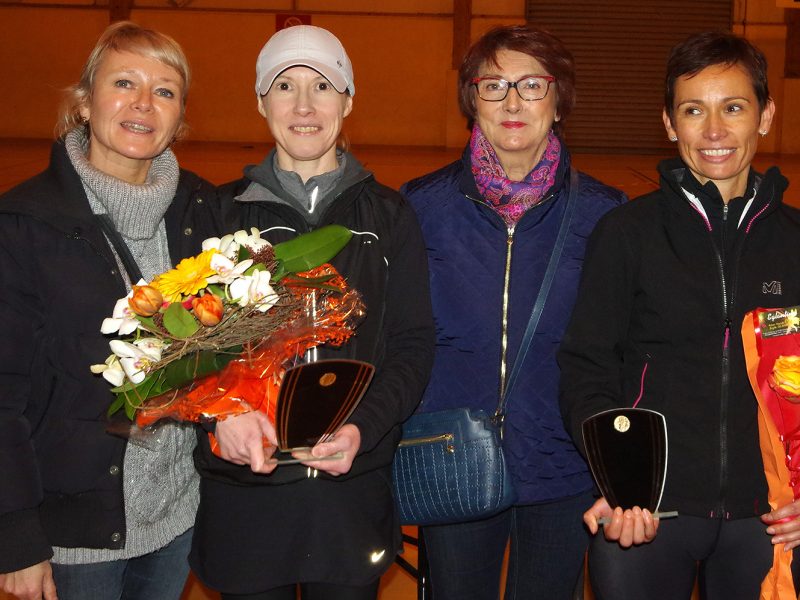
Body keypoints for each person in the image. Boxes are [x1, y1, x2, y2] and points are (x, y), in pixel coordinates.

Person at [188, 25, 435, 600]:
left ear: (347, 101)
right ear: (261, 102)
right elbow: (183, 347)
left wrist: (362, 427)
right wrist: (220, 415)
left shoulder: (390, 217)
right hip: (246, 493)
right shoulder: (216, 214)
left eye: (323, 86)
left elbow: (413, 343)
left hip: (347, 491)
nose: (303, 106)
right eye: (284, 86)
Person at [559, 31, 800, 599]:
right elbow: (587, 366)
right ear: (670, 123)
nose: (714, 131)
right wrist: (621, 479)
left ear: (765, 115)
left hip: (770, 517)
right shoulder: (627, 234)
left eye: (733, 108)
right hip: (648, 513)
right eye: (693, 111)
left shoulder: (795, 241)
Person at [401, 24, 626, 600]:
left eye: (531, 85)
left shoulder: (605, 214)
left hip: (564, 460)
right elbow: (399, 337)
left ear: (559, 100)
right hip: (452, 453)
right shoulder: (420, 206)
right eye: (493, 85)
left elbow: (620, 350)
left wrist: (619, 462)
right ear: (472, 100)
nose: (512, 102)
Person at [0, 21, 222, 600]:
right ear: (83, 102)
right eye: (124, 82)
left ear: (180, 118)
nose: (144, 102)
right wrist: (15, 534)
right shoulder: (23, 225)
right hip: (74, 534)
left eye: (165, 90)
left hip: (178, 515)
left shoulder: (201, 211)